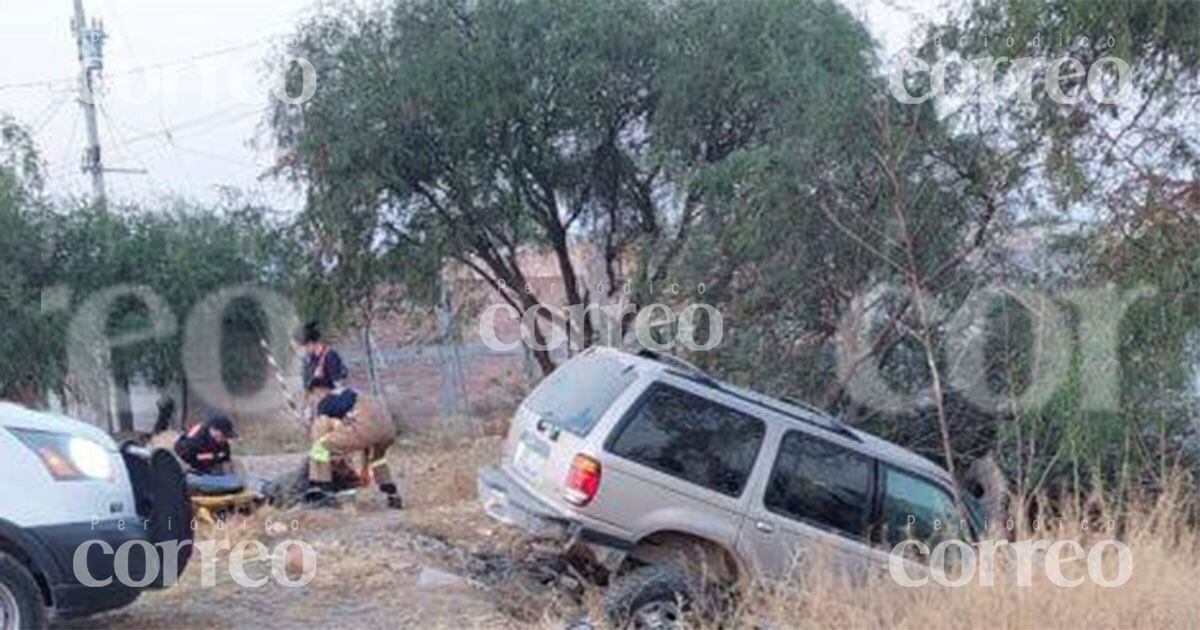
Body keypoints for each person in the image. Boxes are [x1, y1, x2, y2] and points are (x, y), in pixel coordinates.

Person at [304, 376, 402, 509]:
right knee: (378, 459)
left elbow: (324, 428)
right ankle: (392, 494)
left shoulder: (327, 400)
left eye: (311, 396)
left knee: (320, 448)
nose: (312, 401)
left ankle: (321, 492)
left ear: (317, 390)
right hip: (388, 431)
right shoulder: (355, 393)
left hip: (366, 429)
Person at [297, 321, 348, 389]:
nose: (306, 349)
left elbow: (337, 382)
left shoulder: (331, 356)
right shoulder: (311, 358)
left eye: (307, 346)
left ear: (312, 344)